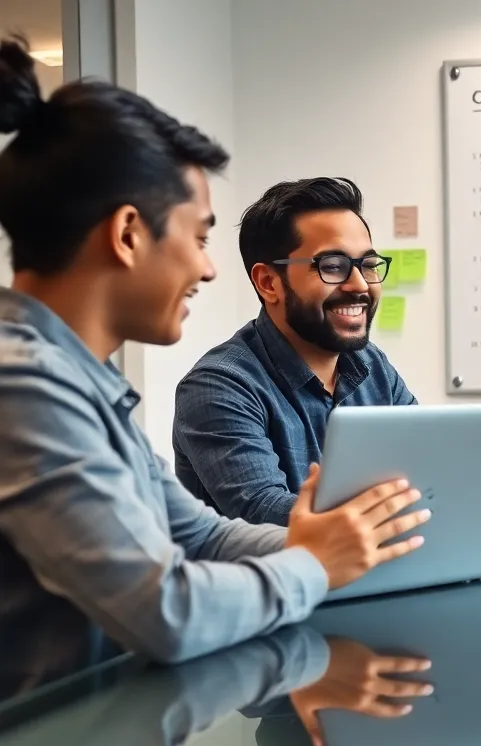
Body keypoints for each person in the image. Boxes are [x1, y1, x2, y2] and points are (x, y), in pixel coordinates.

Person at [0, 37, 428, 665]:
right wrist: (316, 562)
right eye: (199, 238)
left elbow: (201, 536)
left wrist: (326, 544)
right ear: (128, 235)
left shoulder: (79, 381)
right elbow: (165, 612)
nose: (207, 269)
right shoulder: (23, 386)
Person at [172, 177, 481, 534]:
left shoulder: (371, 366)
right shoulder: (218, 387)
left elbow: (433, 464)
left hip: (382, 571)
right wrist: (456, 505)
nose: (360, 284)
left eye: (368, 265)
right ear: (269, 283)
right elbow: (268, 514)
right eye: (332, 266)